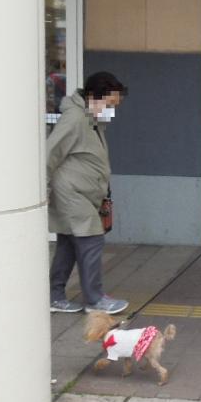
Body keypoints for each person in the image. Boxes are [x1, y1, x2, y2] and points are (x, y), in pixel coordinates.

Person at [47, 71, 129, 315]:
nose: (112, 110)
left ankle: (55, 296)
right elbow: (51, 152)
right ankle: (94, 299)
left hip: (81, 192)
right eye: (110, 104)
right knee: (91, 240)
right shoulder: (75, 119)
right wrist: (45, 188)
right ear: (94, 97)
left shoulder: (91, 118)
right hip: (72, 193)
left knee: (68, 245)